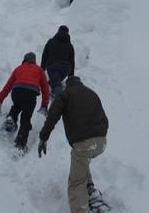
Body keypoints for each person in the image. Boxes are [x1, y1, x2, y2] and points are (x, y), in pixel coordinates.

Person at [38, 76, 109, 213]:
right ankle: (90, 191)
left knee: (76, 182)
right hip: (101, 142)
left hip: (84, 144)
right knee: (82, 159)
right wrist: (100, 134)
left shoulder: (66, 94)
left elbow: (53, 115)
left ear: (67, 85)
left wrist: (43, 137)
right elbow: (105, 118)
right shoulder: (92, 93)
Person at [0, 52, 50, 152]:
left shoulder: (18, 68)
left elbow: (8, 86)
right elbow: (45, 89)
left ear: (24, 60)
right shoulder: (39, 70)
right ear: (34, 61)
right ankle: (20, 145)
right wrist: (44, 104)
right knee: (26, 118)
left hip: (17, 92)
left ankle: (11, 119)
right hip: (30, 94)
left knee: (16, 106)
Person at [41, 25, 75, 99]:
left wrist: (42, 69)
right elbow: (72, 61)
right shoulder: (70, 46)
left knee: (56, 86)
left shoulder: (51, 41)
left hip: (53, 67)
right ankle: (55, 87)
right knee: (56, 81)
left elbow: (45, 55)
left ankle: (61, 100)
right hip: (66, 68)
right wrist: (71, 77)